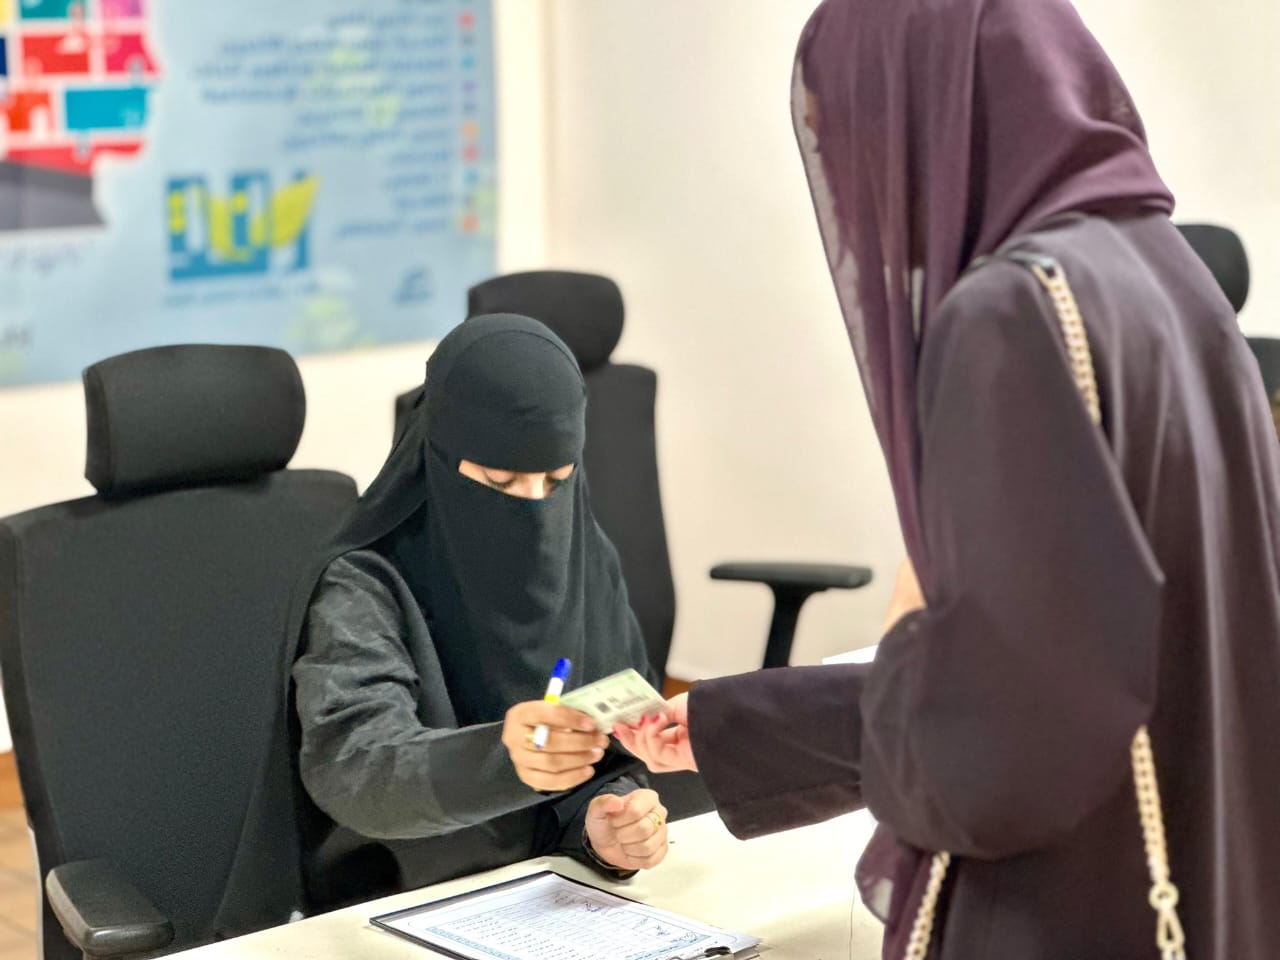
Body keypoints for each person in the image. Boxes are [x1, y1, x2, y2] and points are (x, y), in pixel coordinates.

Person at [616, 1, 1280, 958]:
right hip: (1194, 866)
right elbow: (1069, 662)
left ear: (922, 116)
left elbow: (996, 743)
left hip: (1065, 904)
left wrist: (906, 641)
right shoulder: (1171, 273)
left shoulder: (1008, 314)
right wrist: (740, 726)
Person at [288, 313, 669, 908]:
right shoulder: (365, 580)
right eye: (500, 481)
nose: (534, 508)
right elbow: (354, 766)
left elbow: (614, 744)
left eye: (556, 480)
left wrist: (605, 825)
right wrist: (504, 760)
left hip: (551, 895)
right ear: (440, 456)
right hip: (399, 894)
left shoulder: (585, 555)